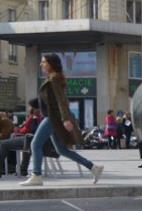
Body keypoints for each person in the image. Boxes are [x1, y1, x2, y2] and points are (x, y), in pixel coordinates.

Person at [21, 54, 103, 186]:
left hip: (53, 118)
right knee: (61, 150)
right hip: (54, 117)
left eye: (44, 62)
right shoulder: (52, 78)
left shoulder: (54, 79)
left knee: (35, 144)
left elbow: (61, 101)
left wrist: (65, 119)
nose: (41, 64)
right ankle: (94, 168)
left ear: (51, 64)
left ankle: (36, 175)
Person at [0, 100, 40, 179]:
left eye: (29, 106)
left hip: (29, 138)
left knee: (4, 144)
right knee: (16, 142)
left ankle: (9, 167)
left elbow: (25, 130)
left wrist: (17, 129)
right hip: (30, 139)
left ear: (34, 108)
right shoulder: (37, 117)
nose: (28, 108)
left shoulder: (34, 117)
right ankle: (21, 169)